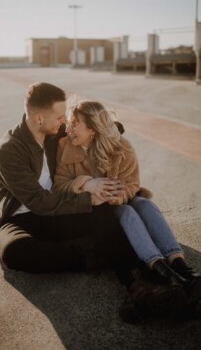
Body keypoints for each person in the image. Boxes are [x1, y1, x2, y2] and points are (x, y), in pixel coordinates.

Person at [0, 82, 192, 324]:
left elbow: (102, 126)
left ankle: (140, 286)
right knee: (14, 251)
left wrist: (105, 139)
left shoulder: (55, 131)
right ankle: (98, 253)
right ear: (38, 118)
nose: (64, 122)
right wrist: (86, 194)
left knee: (102, 212)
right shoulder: (9, 150)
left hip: (62, 209)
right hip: (23, 216)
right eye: (60, 117)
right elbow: (39, 202)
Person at [53, 99, 201, 321]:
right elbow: (60, 183)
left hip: (121, 201)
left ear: (92, 130)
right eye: (70, 123)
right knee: (128, 212)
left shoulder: (122, 147)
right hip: (93, 210)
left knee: (145, 203)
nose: (68, 128)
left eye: (75, 124)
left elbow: (132, 185)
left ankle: (183, 270)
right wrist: (86, 183)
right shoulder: (65, 146)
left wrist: (117, 196)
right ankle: (161, 270)